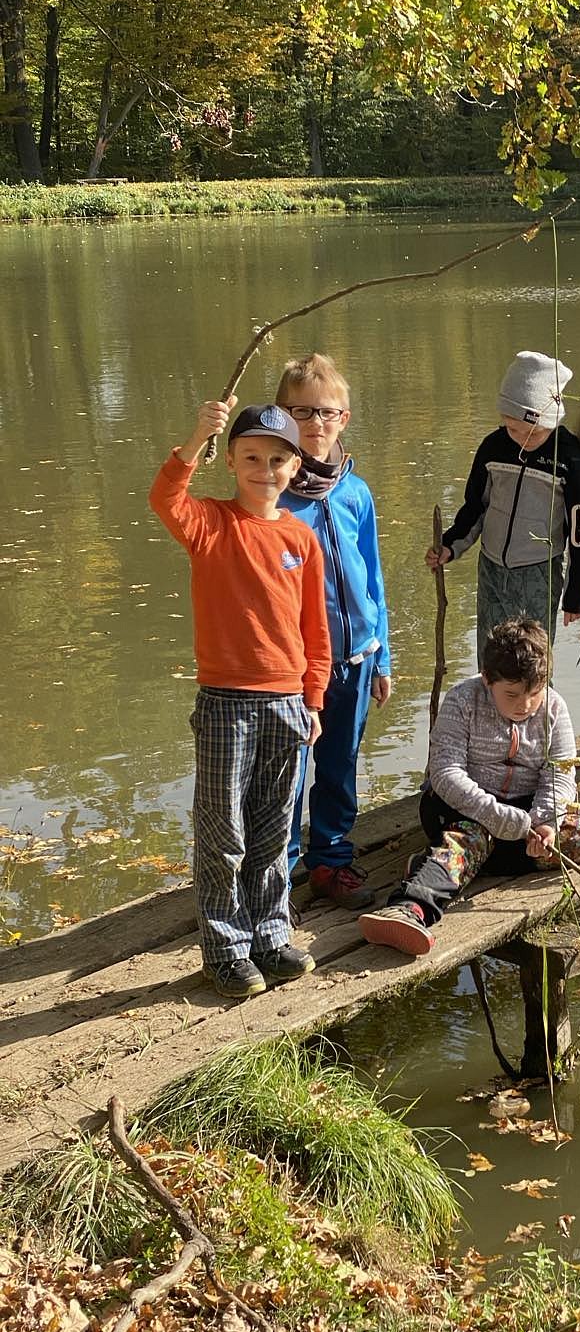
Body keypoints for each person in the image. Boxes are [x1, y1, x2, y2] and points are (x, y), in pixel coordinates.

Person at [148, 399, 331, 999]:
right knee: (222, 831)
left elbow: (315, 630)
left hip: (286, 703)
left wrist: (314, 699)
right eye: (251, 456)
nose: (265, 468)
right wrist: (197, 434)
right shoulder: (210, 524)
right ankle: (224, 948)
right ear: (229, 461)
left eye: (278, 459)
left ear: (295, 466)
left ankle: (270, 933)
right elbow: (164, 499)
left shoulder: (301, 538)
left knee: (274, 830)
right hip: (227, 700)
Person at [357, 617, 580, 955]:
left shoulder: (555, 708)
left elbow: (559, 773)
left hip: (525, 814)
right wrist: (494, 814)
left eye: (533, 694)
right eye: (511, 694)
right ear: (488, 680)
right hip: (463, 809)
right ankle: (410, 907)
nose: (524, 705)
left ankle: (443, 865)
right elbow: (445, 773)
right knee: (471, 836)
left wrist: (546, 821)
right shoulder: (462, 701)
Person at [275, 353, 392, 911]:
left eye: (327, 412)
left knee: (341, 766)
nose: (315, 424)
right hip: (299, 668)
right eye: (301, 412)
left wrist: (383, 655)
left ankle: (331, 861)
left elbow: (372, 574)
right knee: (290, 773)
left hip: (357, 657)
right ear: (282, 417)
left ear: (344, 418)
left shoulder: (355, 492)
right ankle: (281, 873)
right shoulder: (273, 500)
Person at [427, 351, 580, 664]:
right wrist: (450, 546)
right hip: (491, 568)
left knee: (531, 664)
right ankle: (488, 711)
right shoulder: (494, 446)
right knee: (491, 660)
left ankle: (540, 713)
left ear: (544, 419)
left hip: (538, 573)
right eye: (508, 426)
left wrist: (577, 593)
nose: (514, 436)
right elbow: (475, 506)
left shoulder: (570, 460)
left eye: (523, 429)